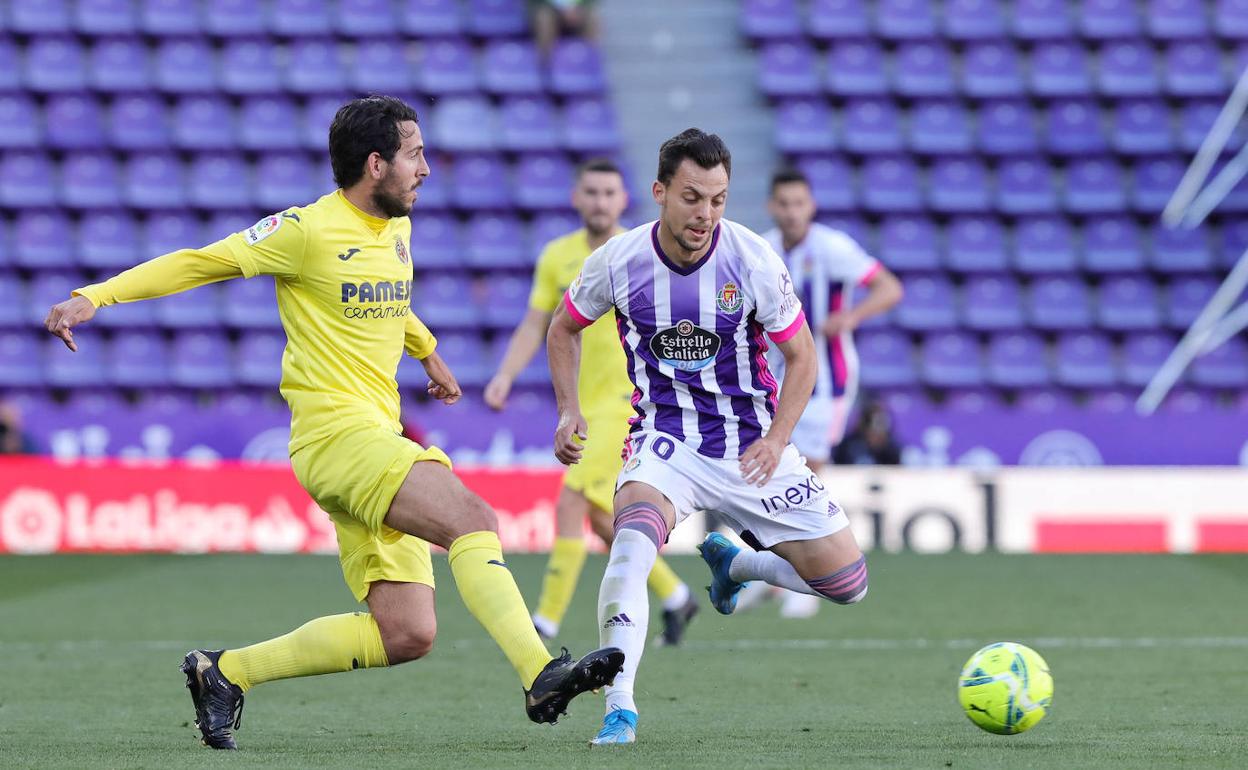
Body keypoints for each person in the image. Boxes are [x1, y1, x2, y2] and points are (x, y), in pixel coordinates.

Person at [44, 95, 622, 751]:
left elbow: (390, 298)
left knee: (406, 632)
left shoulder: (397, 227)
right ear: (376, 164)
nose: (426, 168)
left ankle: (225, 673)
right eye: (415, 154)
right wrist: (96, 296)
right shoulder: (305, 230)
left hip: (375, 438)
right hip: (337, 439)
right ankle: (540, 674)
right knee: (474, 519)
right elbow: (200, 261)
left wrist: (428, 352)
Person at [546, 129, 869, 746]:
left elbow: (802, 357)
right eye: (692, 198)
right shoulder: (618, 260)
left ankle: (738, 564)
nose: (706, 214)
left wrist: (778, 439)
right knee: (630, 546)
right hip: (666, 442)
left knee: (849, 586)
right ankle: (620, 709)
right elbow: (563, 327)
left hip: (752, 445)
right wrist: (568, 411)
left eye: (718, 200)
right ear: (660, 192)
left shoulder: (752, 259)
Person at [484, 159, 698, 646]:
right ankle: (676, 596)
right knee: (604, 519)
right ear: (576, 198)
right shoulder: (557, 256)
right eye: (592, 192)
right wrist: (505, 375)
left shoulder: (641, 252)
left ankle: (544, 622)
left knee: (571, 501)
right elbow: (536, 323)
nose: (600, 201)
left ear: (624, 200)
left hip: (628, 402)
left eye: (609, 193)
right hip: (583, 401)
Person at [759, 168, 903, 618]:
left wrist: (851, 317)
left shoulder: (833, 247)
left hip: (828, 382)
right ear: (772, 206)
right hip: (775, 377)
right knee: (773, 473)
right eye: (784, 203)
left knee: (808, 475)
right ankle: (776, 575)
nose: (791, 212)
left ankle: (804, 582)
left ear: (812, 206)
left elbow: (889, 287)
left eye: (799, 203)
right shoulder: (762, 248)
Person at [833, 399, 902, 466]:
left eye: (882, 431)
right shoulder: (847, 447)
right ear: (864, 428)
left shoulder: (892, 450)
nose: (878, 436)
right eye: (874, 431)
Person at [531, 0, 599, 57]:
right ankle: (545, 62)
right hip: (550, 9)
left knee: (593, 17)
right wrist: (562, 9)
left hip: (578, 8)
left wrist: (576, 8)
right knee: (544, 19)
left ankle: (591, 60)